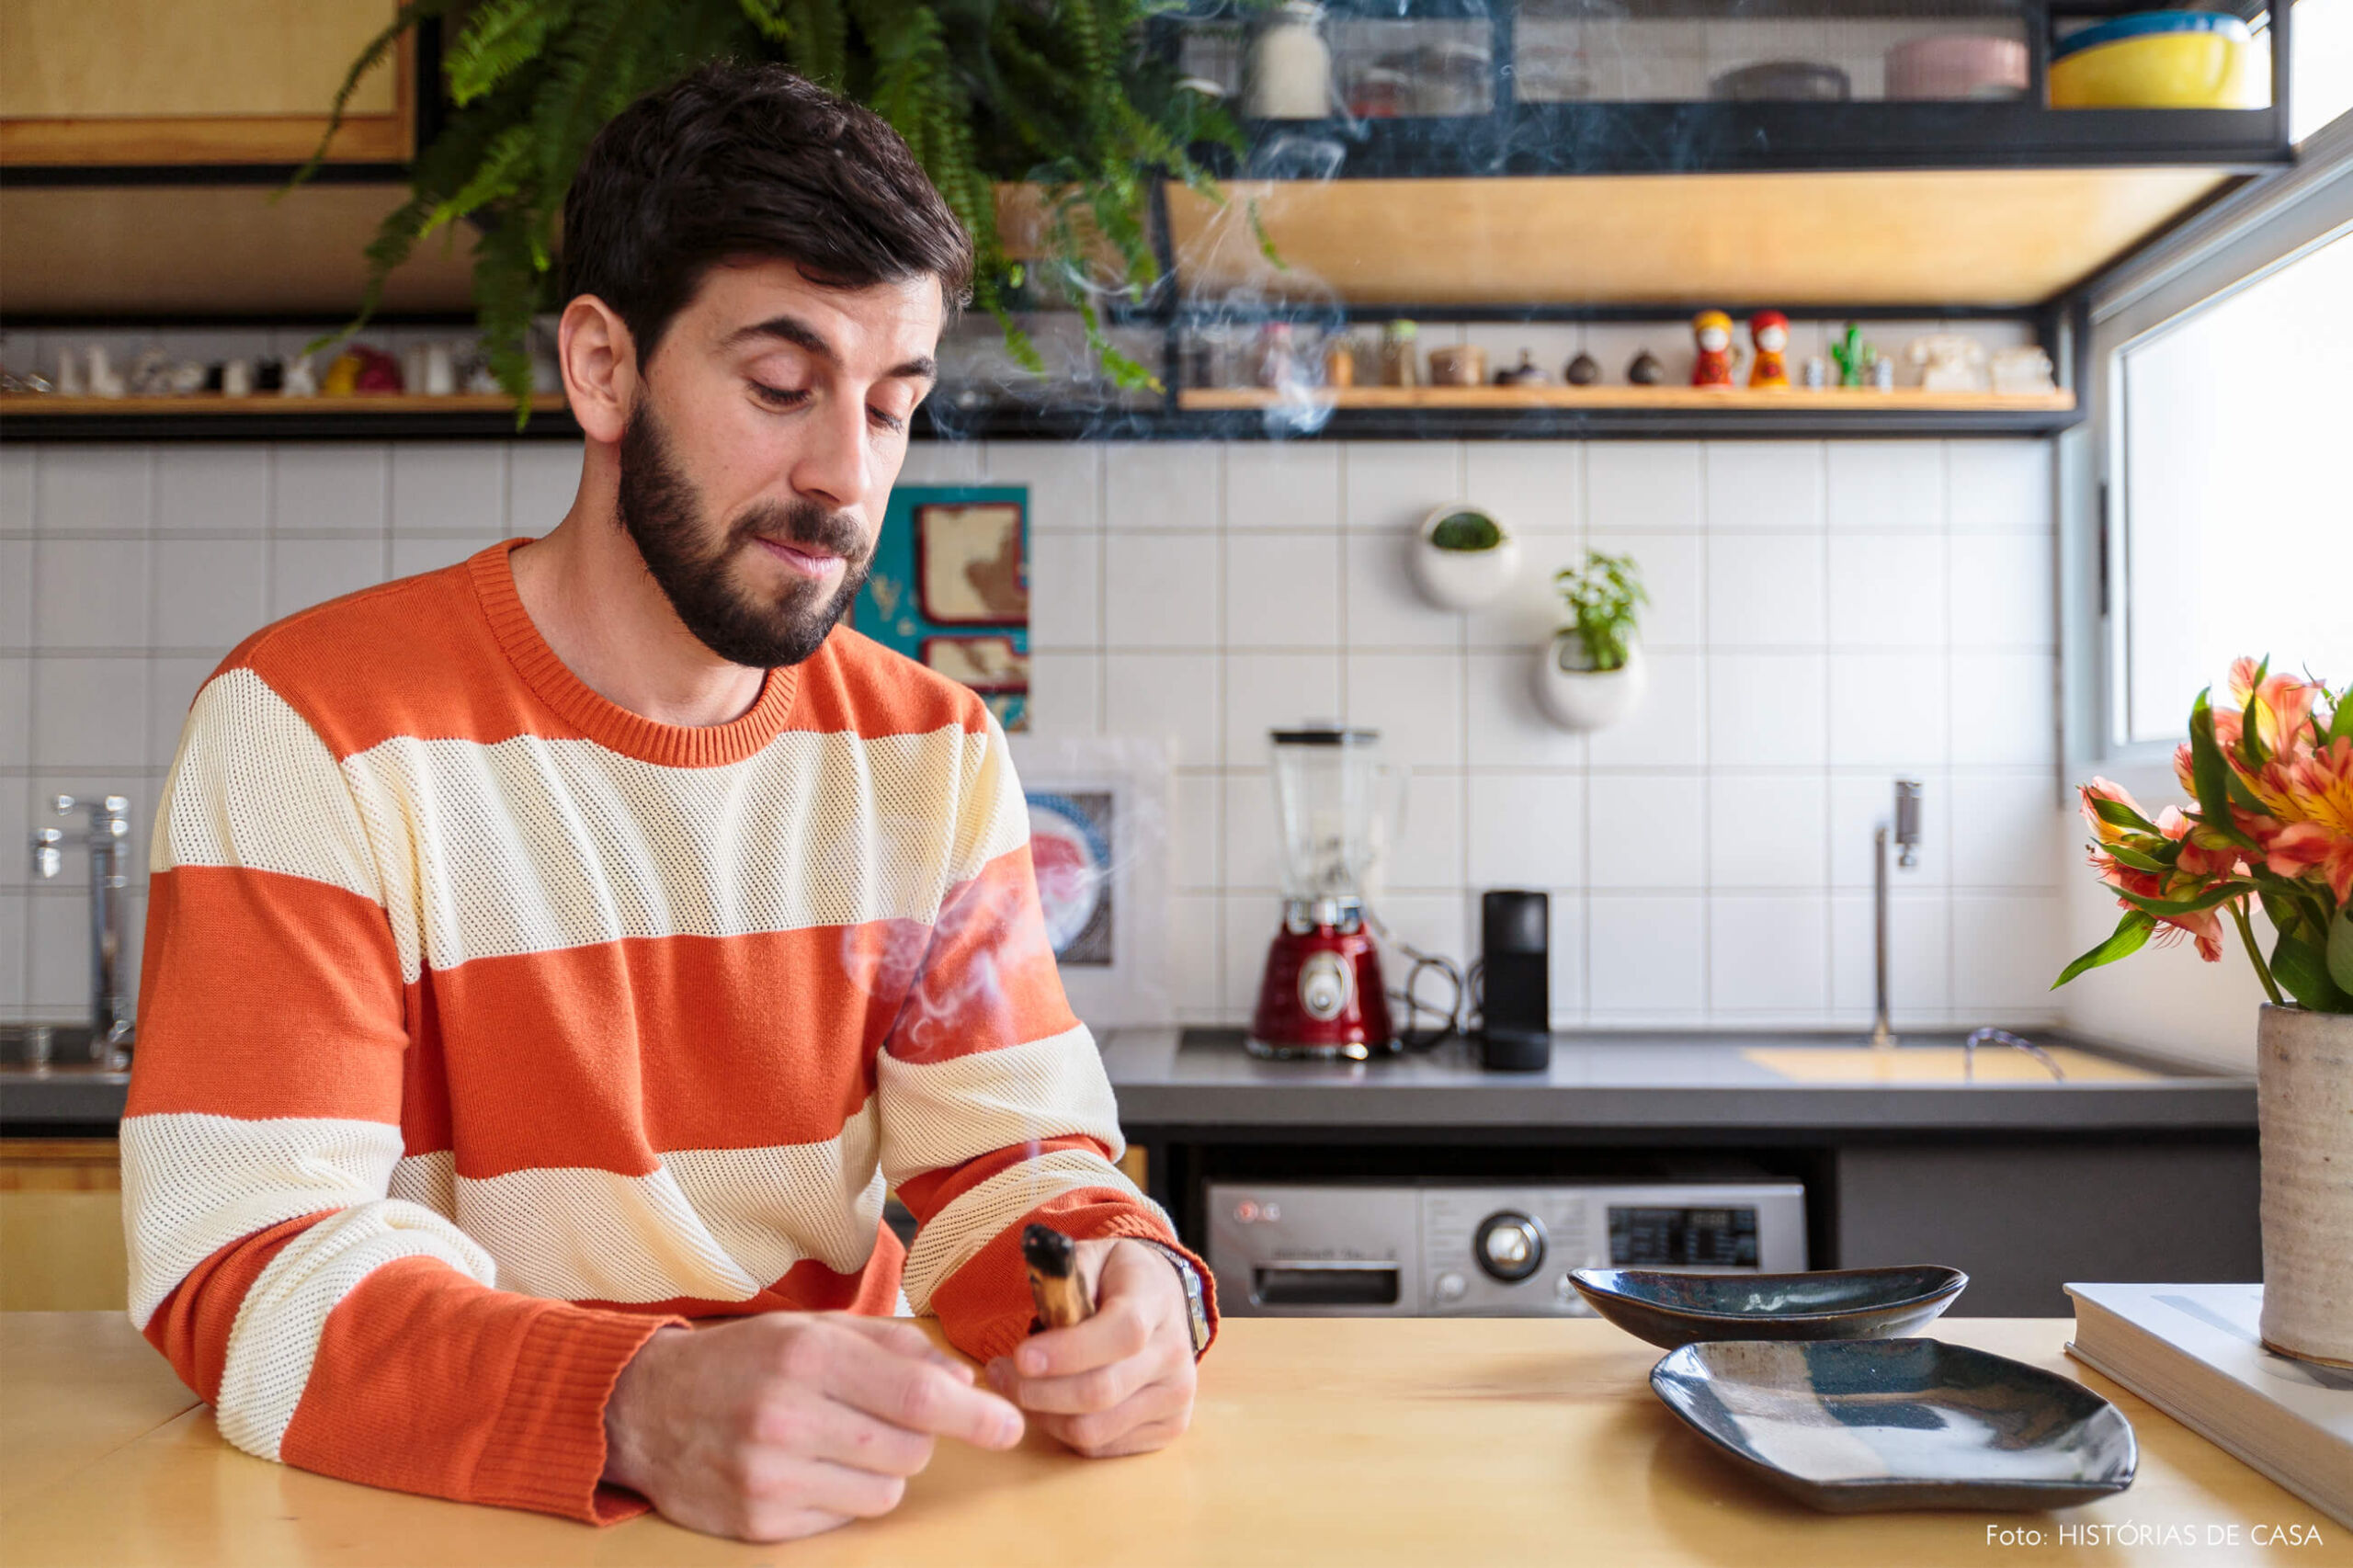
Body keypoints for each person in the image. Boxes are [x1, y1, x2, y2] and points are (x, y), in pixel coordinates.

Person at [122, 61, 1212, 1544]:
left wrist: (1123, 1285)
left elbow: (1013, 1166)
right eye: (781, 388)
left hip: (840, 1508)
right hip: (440, 1520)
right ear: (602, 369)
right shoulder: (310, 730)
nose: (846, 477)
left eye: (893, 405)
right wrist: (637, 1402)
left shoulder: (930, 750)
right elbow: (243, 1262)